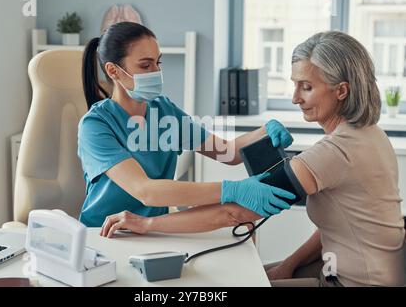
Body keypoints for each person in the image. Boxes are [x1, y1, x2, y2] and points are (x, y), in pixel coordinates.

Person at [101, 31, 406, 287]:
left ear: (341, 90)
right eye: (294, 84)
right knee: (247, 275)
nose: (295, 98)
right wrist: (288, 265)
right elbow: (337, 225)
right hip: (350, 271)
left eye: (307, 87)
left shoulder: (335, 152)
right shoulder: (368, 134)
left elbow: (233, 214)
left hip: (355, 282)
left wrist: (147, 222)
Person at [78, 21, 295, 229]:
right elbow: (145, 191)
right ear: (114, 71)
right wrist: (232, 190)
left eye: (158, 62)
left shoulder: (163, 110)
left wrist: (264, 131)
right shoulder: (95, 125)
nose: (156, 72)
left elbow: (227, 152)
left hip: (148, 231)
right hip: (103, 232)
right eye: (145, 65)